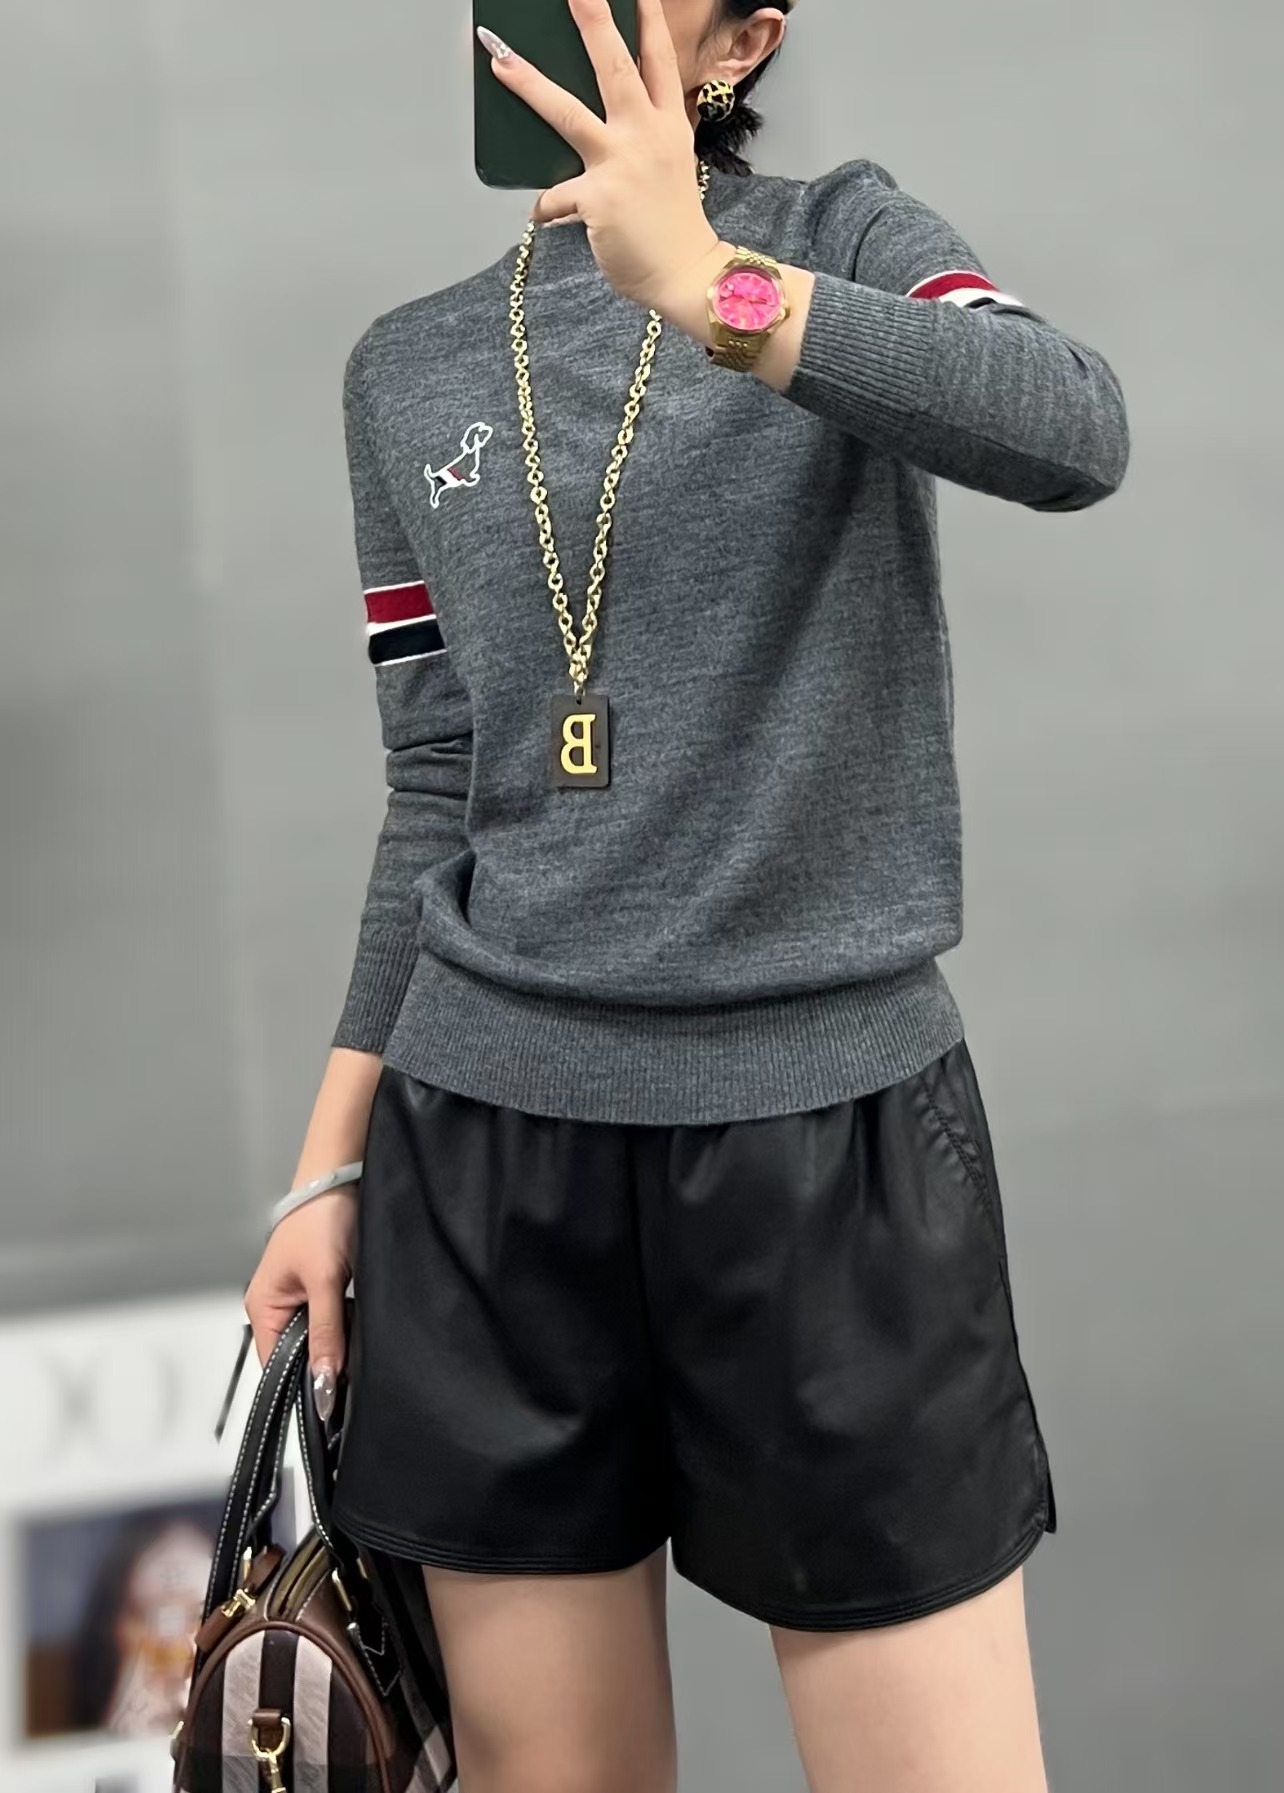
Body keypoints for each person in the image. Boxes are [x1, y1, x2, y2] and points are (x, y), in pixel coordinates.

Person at [244, 0, 1130, 1788]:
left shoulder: (842, 238)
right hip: (487, 1167)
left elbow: (1072, 427)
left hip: (823, 1147)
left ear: (742, 42)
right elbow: (436, 788)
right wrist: (331, 1164)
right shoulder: (407, 367)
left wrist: (711, 288)